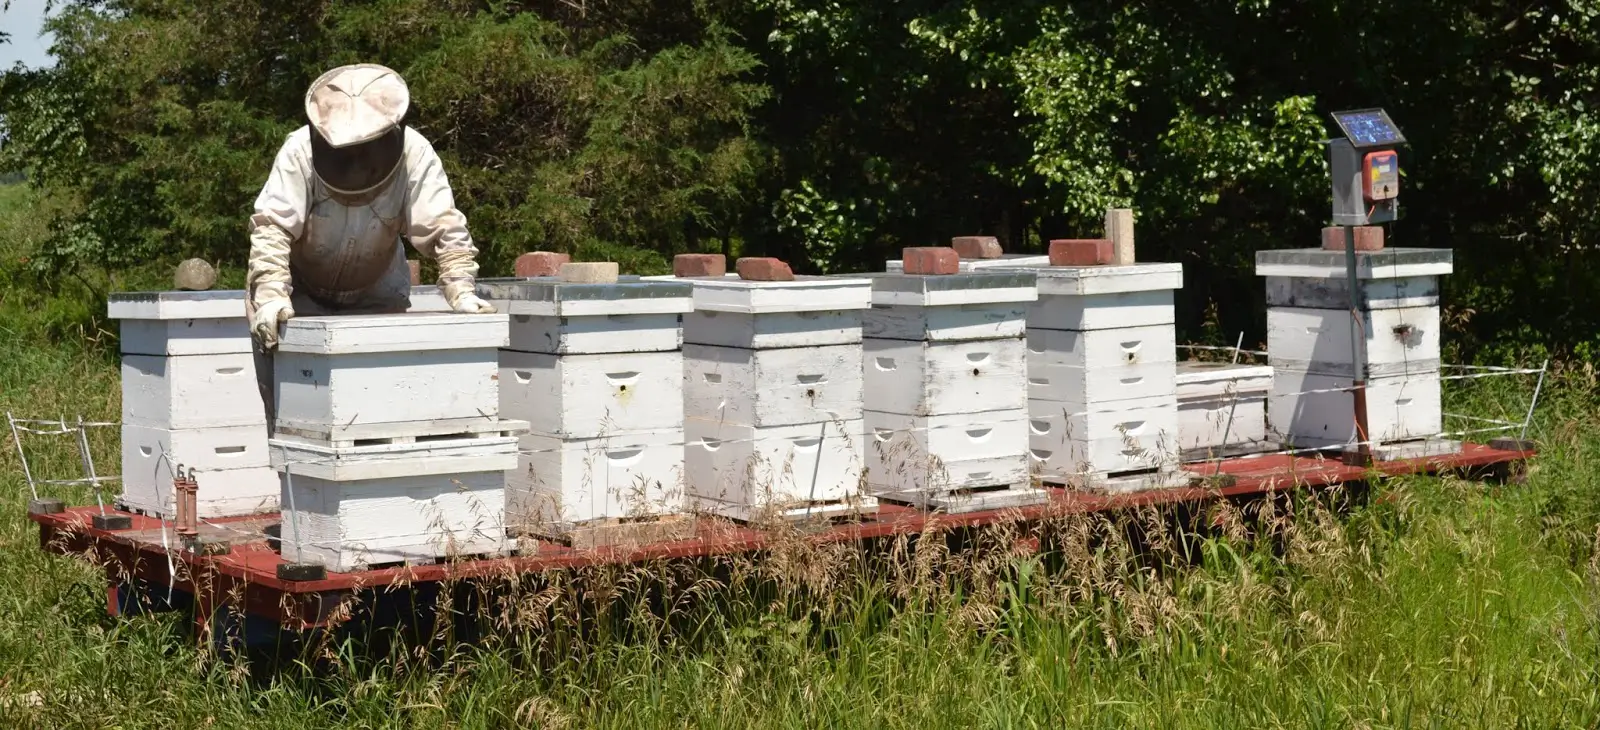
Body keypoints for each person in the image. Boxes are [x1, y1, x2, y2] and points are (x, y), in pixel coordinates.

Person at [246, 63, 496, 427]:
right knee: (295, 424)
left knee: (385, 416)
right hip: (297, 296)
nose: (357, 163)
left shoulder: (415, 154)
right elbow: (272, 227)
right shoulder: (299, 151)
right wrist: (270, 296)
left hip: (378, 292)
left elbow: (443, 223)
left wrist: (461, 289)